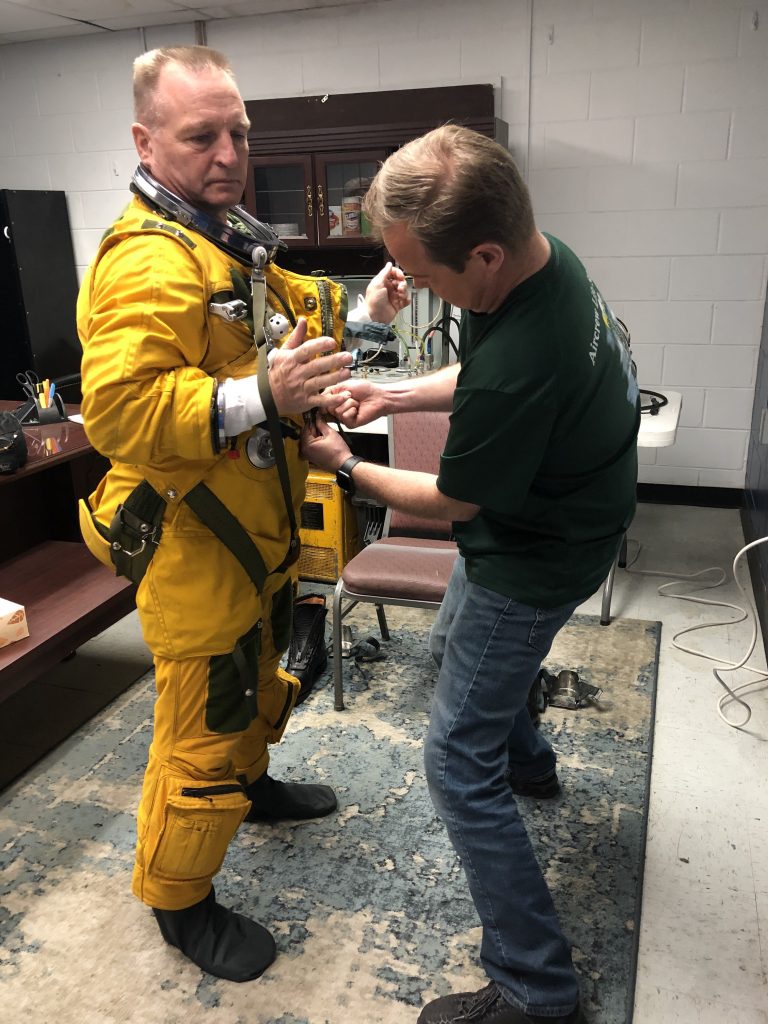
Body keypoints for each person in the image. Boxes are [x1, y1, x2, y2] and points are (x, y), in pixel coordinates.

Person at [75, 45, 407, 984]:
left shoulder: (219, 236)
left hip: (253, 530)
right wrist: (256, 394)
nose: (229, 152)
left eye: (239, 132)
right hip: (193, 541)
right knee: (203, 727)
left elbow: (288, 320)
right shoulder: (146, 261)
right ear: (146, 139)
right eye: (201, 135)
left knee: (259, 683)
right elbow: (122, 413)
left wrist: (367, 306)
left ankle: (250, 787)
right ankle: (178, 902)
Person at [301, 124, 640, 1024]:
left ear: (484, 254)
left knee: (453, 757)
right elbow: (485, 372)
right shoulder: (544, 264)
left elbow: (454, 503)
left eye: (427, 274)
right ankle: (529, 763)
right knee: (459, 643)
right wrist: (394, 393)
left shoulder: (529, 355)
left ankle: (537, 989)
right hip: (578, 514)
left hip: (536, 551)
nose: (412, 290)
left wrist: (343, 464)